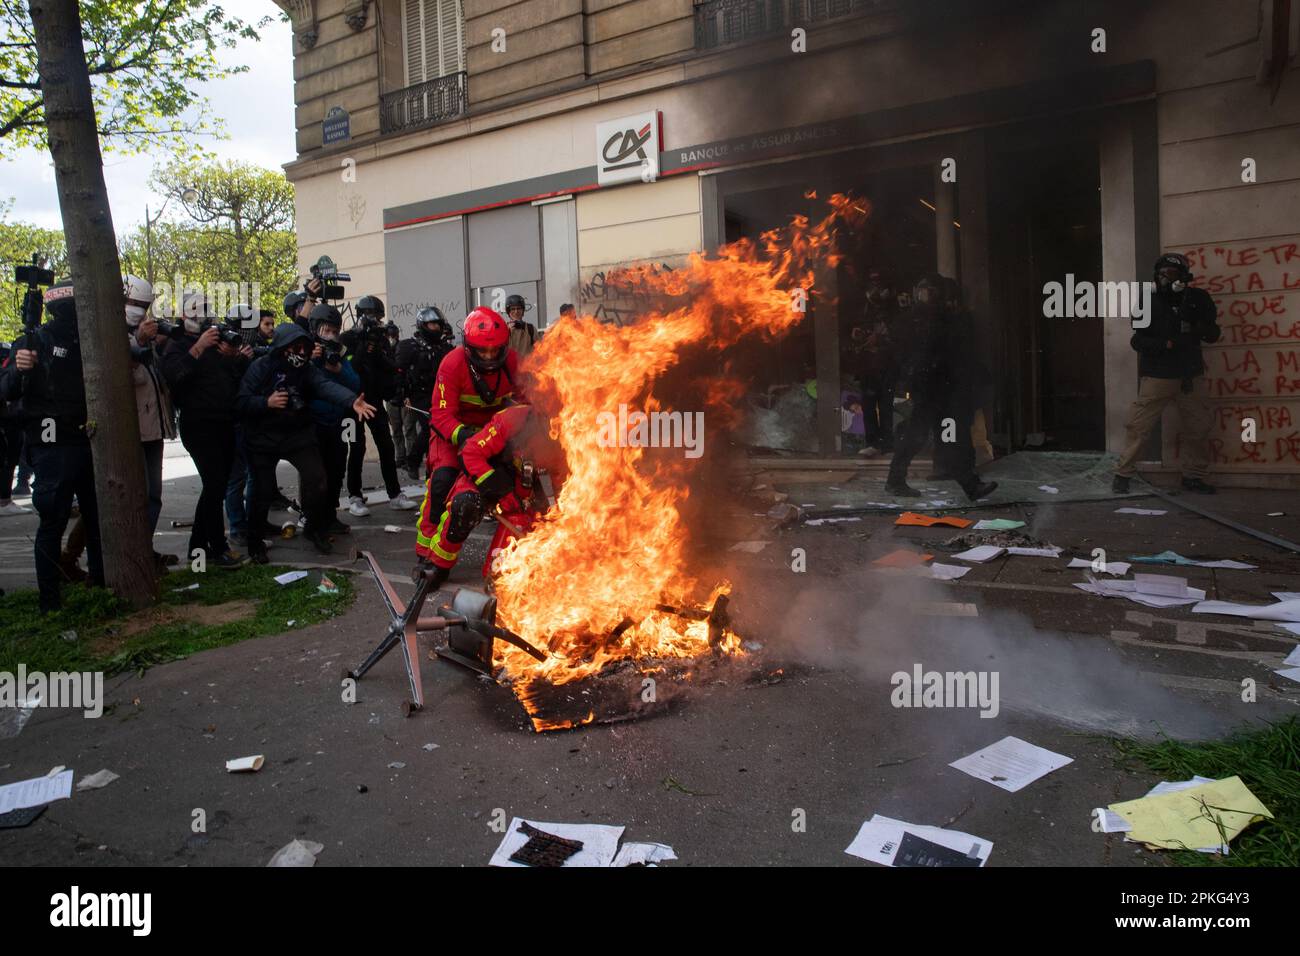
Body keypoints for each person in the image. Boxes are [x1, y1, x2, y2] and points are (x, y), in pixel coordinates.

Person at [0, 280, 105, 612]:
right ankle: (50, 601)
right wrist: (19, 370)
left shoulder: (91, 340)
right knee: (53, 518)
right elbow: (6, 391)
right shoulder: (35, 342)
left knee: (95, 517)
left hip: (86, 438)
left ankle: (101, 585)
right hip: (51, 442)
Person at [236, 323, 377, 560]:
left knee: (317, 479)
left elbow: (325, 386)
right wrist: (265, 403)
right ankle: (255, 541)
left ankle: (314, 528)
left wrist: (352, 401)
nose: (301, 352)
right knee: (261, 491)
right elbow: (241, 402)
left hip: (296, 433)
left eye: (305, 347)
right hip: (263, 437)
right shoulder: (260, 367)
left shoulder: (307, 370)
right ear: (282, 347)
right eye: (296, 347)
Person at [416, 306, 525, 564]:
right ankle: (426, 554)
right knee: (442, 483)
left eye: (494, 350)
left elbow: (525, 401)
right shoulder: (452, 364)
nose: (488, 357)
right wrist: (465, 436)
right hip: (453, 436)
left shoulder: (513, 362)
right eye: (482, 351)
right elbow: (441, 416)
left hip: (494, 435)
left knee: (519, 488)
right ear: (468, 347)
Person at [1113, 253, 1221, 494]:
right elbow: (1137, 340)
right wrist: (1166, 344)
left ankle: (1193, 476)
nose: (1165, 278)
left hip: (1189, 375)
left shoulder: (1198, 298)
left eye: (1171, 274)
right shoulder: (1147, 300)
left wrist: (1195, 326)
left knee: (1199, 426)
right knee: (1138, 426)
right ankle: (1123, 475)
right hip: (1158, 375)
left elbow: (1213, 333)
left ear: (1183, 276)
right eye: (1162, 273)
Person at [885, 274, 996, 502]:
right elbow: (906, 354)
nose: (928, 296)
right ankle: (896, 480)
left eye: (932, 291)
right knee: (919, 436)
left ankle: (970, 485)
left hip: (941, 388)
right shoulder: (914, 320)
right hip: (927, 389)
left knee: (949, 436)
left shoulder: (943, 317)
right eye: (926, 291)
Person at [415, 402, 548, 588]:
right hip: (488, 479)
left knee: (552, 523)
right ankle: (438, 564)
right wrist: (501, 492)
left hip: (525, 491)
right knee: (466, 505)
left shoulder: (575, 429)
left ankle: (515, 572)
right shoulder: (512, 419)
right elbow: (470, 453)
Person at [162, 293, 251, 569]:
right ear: (184, 314)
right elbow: (175, 378)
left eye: (205, 309)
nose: (202, 315)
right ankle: (217, 546)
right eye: (196, 310)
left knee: (216, 488)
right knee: (214, 486)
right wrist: (198, 348)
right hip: (198, 425)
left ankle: (199, 547)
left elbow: (228, 382)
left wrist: (234, 357)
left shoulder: (215, 346)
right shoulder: (176, 345)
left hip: (223, 422)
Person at [341, 295, 414, 516]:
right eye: (371, 316)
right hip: (351, 403)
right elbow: (349, 366)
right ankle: (354, 496)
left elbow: (389, 367)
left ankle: (394, 494)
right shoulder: (349, 338)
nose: (375, 321)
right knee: (356, 447)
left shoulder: (381, 339)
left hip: (373, 401)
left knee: (386, 445)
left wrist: (394, 390)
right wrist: (364, 344)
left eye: (378, 317)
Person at [123, 275, 177, 567]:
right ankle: (133, 555)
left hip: (153, 429)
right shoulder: (114, 337)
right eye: (137, 305)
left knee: (153, 496)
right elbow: (122, 380)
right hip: (132, 432)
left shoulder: (143, 338)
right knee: (137, 497)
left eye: (145, 306)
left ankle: (145, 550)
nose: (143, 312)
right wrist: (139, 342)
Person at [306, 304, 360, 534]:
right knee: (317, 477)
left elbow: (355, 383)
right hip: (314, 423)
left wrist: (338, 368)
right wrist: (311, 359)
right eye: (326, 330)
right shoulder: (305, 351)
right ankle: (313, 522)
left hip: (337, 422)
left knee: (336, 471)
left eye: (334, 331)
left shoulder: (339, 354)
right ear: (316, 329)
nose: (330, 335)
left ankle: (330, 516)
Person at [396, 306, 455, 479]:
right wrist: (403, 395)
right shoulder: (409, 347)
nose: (436, 328)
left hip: (441, 394)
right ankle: (416, 462)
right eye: (432, 324)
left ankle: (433, 464)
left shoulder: (445, 348)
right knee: (432, 426)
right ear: (423, 325)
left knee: (442, 428)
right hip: (419, 395)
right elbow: (399, 372)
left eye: (438, 324)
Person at [505, 294, 536, 359]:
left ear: (523, 310)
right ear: (508, 312)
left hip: (527, 367)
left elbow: (540, 349)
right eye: (513, 309)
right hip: (510, 368)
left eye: (518, 308)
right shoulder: (503, 329)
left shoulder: (531, 329)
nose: (516, 312)